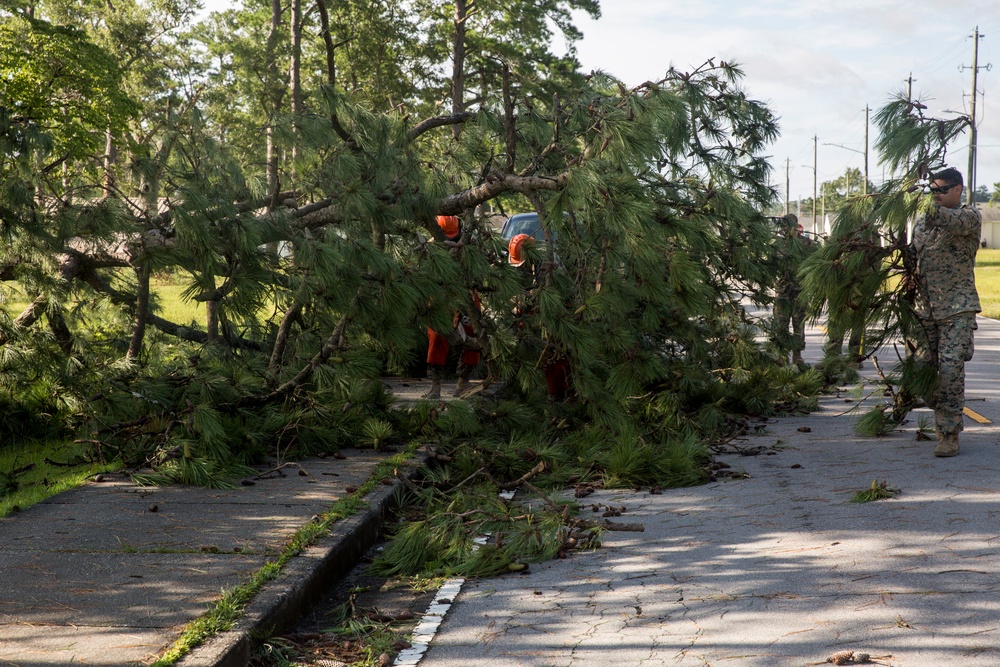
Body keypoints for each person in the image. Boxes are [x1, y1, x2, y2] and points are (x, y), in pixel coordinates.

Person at [910, 167, 981, 457]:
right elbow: (914, 256)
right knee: (921, 373)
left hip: (958, 308)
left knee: (951, 371)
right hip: (925, 309)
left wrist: (913, 200)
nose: (936, 195)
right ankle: (943, 408)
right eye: (932, 190)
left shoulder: (969, 216)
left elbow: (942, 218)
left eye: (941, 190)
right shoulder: (921, 224)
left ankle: (948, 434)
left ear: (958, 190)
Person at [423, 215, 482, 399]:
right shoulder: (430, 247)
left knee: (472, 331)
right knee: (437, 334)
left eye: (454, 239)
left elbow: (480, 272)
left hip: (466, 291)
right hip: (440, 292)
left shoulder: (471, 244)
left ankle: (463, 382)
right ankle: (435, 385)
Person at [771, 214, 815, 367]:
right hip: (782, 292)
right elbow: (770, 265)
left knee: (798, 324)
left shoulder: (807, 244)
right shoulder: (777, 244)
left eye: (789, 225)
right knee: (781, 324)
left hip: (800, 291)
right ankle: (781, 355)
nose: (786, 229)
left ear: (796, 226)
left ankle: (797, 355)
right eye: (783, 225)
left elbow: (817, 263)